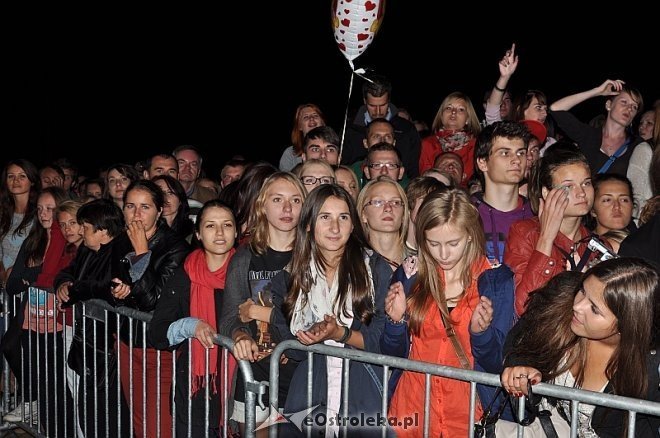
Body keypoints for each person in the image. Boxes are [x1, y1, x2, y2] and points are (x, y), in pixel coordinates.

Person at [383, 188, 515, 437]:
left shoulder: (496, 280)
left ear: (469, 235)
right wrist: (395, 321)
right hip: (412, 409)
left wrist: (481, 334)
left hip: (467, 414)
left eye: (452, 243)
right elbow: (392, 355)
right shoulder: (411, 274)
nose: (443, 254)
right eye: (433, 243)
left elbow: (498, 363)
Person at [269, 184, 393, 437]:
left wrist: (340, 334)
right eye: (325, 217)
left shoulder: (376, 269)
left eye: (343, 217)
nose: (335, 228)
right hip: (309, 392)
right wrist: (308, 338)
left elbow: (383, 341)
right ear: (308, 224)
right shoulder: (289, 277)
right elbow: (290, 348)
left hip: (365, 391)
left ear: (353, 224)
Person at [502, 258, 660, 436]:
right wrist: (521, 369)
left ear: (627, 325)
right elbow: (519, 339)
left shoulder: (649, 367)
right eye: (583, 290)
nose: (577, 306)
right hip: (544, 427)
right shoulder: (561, 296)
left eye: (594, 309)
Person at [218, 172, 306, 434]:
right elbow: (229, 317)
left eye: (296, 200)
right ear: (262, 206)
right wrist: (238, 335)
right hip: (255, 377)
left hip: (302, 377)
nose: (287, 208)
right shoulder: (245, 257)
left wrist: (261, 312)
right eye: (277, 199)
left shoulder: (313, 257)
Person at [148, 200, 237, 437]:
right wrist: (191, 325)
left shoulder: (247, 272)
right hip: (196, 388)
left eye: (227, 225)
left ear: (236, 231)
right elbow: (157, 334)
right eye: (210, 226)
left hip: (239, 386)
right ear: (198, 233)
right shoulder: (185, 273)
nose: (219, 233)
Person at [110, 180, 190, 438]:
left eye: (145, 207)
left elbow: (155, 301)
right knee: (138, 419)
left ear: (159, 210)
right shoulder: (121, 240)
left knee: (159, 423)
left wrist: (142, 252)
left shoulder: (176, 247)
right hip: (126, 340)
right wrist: (116, 292)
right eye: (130, 206)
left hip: (158, 347)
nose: (136, 214)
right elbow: (107, 283)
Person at [505, 143, 597, 315]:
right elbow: (524, 308)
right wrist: (546, 239)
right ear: (547, 193)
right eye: (569, 186)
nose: (582, 193)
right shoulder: (525, 232)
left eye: (586, 183)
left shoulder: (597, 246)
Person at [549, 79, 645, 176]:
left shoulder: (638, 145)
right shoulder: (588, 135)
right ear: (609, 105)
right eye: (624, 102)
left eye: (634, 107)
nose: (629, 109)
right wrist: (597, 91)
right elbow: (556, 109)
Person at [473, 121, 534, 264]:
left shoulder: (538, 214)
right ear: (483, 163)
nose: (516, 160)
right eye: (505, 153)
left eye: (521, 153)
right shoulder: (466, 214)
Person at [341, 75, 421, 178]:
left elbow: (413, 170)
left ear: (389, 101)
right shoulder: (350, 130)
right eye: (372, 106)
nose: (378, 112)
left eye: (382, 105)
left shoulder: (406, 130)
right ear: (365, 101)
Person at [418, 91, 481, 181]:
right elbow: (425, 179)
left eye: (461, 109)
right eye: (449, 108)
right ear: (441, 115)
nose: (454, 112)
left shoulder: (476, 145)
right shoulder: (428, 144)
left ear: (468, 118)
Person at [356, 176, 410, 270]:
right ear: (363, 214)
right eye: (378, 202)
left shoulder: (420, 263)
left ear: (403, 214)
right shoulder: (353, 264)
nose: (388, 208)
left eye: (396, 202)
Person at [279, 104, 326, 172]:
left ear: (322, 123)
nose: (311, 118)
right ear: (299, 126)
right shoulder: (290, 154)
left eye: (315, 115)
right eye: (306, 117)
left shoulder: (334, 149)